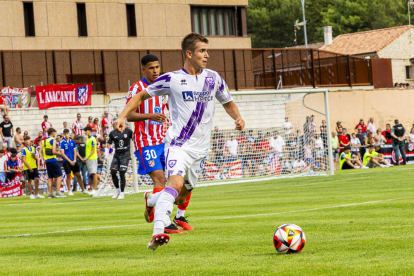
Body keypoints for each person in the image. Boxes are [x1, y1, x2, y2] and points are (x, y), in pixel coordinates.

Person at [113, 33, 245, 251]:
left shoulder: (213, 78)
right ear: (189, 53)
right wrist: (121, 116)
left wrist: (237, 118)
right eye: (202, 51)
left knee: (181, 193)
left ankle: (151, 199)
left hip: (200, 149)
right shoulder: (171, 79)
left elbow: (227, 101)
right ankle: (158, 232)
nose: (207, 55)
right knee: (172, 184)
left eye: (207, 51)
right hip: (177, 145)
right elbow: (140, 97)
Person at [125, 54, 191, 233]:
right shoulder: (136, 88)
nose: (155, 71)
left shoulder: (164, 86)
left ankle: (154, 202)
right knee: (160, 179)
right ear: (143, 69)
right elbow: (129, 115)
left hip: (165, 141)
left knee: (179, 180)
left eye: (157, 67)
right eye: (151, 68)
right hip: (145, 141)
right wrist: (150, 116)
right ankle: (165, 221)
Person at [60, 129, 90, 196]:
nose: (67, 134)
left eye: (68, 133)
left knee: (78, 174)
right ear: (64, 134)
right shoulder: (62, 143)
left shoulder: (73, 142)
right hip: (66, 161)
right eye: (65, 133)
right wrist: (70, 161)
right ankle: (69, 190)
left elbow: (75, 151)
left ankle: (83, 189)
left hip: (74, 161)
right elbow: (62, 154)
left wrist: (74, 160)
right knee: (68, 176)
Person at [107, 128, 133, 200]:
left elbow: (135, 139)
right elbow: (109, 143)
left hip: (125, 155)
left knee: (122, 173)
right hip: (117, 155)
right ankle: (117, 190)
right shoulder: (113, 133)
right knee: (113, 171)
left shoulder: (128, 131)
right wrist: (109, 148)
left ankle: (122, 193)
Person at [43, 128, 65, 198]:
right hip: (52, 159)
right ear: (52, 132)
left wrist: (44, 158)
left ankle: (50, 193)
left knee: (50, 177)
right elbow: (53, 151)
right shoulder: (53, 140)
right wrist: (58, 153)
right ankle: (58, 192)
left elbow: (43, 151)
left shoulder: (45, 140)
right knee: (59, 175)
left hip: (47, 160)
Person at [84, 126, 99, 196]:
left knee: (94, 173)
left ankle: (95, 189)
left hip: (92, 158)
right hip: (89, 159)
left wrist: (87, 157)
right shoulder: (88, 138)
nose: (85, 132)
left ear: (89, 131)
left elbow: (93, 150)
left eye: (86, 131)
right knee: (91, 174)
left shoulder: (92, 139)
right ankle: (93, 188)